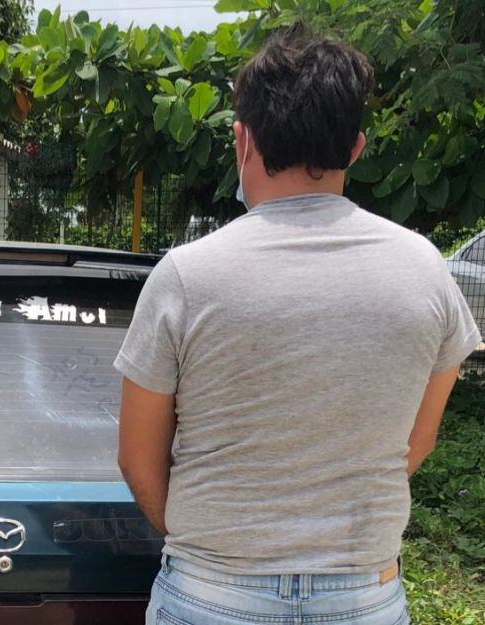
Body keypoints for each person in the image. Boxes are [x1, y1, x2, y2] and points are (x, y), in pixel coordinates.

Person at [114, 23, 480, 625]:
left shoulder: (186, 275)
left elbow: (137, 458)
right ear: (356, 148)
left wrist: (215, 547)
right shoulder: (426, 271)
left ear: (242, 140)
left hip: (212, 594)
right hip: (363, 596)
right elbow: (416, 443)